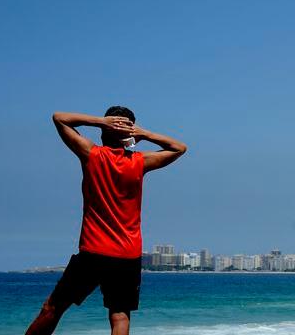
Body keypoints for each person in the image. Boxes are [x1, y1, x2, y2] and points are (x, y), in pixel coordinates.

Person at [25, 106, 187, 335]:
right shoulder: (140, 162)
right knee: (120, 316)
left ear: (104, 132)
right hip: (127, 254)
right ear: (129, 136)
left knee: (53, 307)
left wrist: (101, 121)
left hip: (94, 251)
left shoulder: (91, 154)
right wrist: (144, 134)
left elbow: (59, 118)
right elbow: (179, 148)